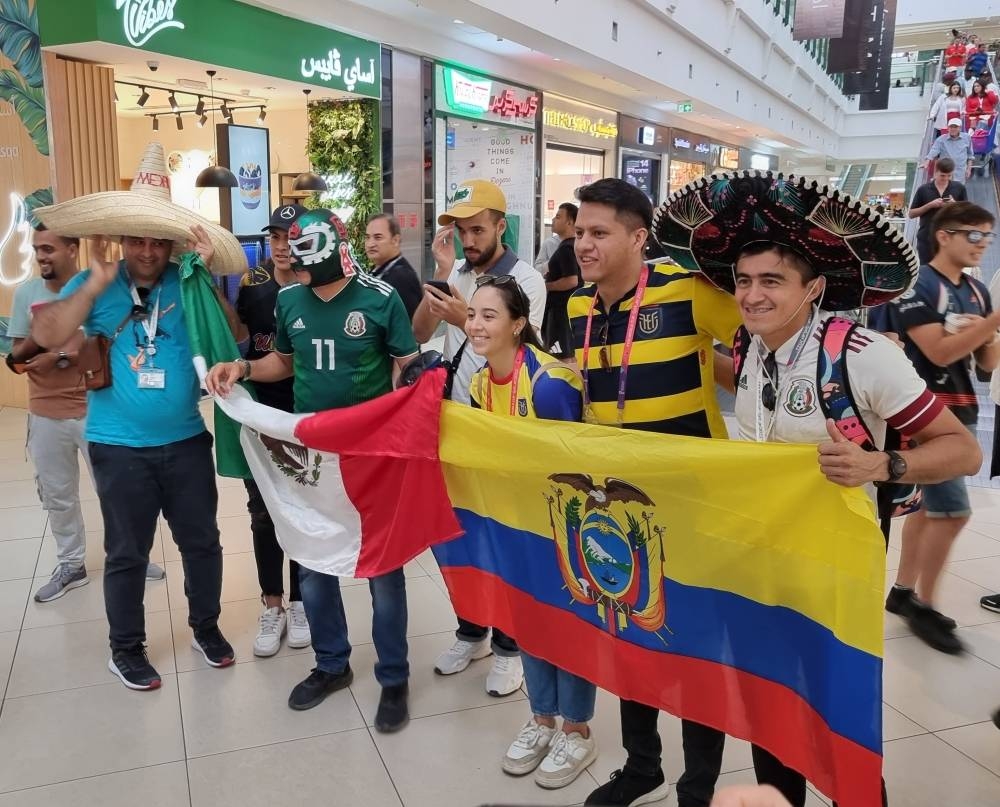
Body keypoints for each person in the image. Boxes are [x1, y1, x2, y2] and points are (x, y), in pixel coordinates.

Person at [662, 171, 980, 806]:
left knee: (839, 716)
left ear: (812, 289)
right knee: (771, 710)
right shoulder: (748, 348)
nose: (752, 295)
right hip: (760, 560)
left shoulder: (862, 353)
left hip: (837, 572)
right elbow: (752, 405)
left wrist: (881, 465)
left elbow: (962, 450)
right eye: (743, 281)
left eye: (771, 281)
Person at [205, 208, 418, 732]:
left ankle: (394, 676)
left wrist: (419, 381)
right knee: (313, 559)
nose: (291, 267)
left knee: (383, 570)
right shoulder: (289, 300)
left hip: (371, 457)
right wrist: (243, 368)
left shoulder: (380, 298)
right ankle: (331, 663)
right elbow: (285, 361)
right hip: (311, 456)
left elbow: (406, 365)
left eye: (302, 261)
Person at [568, 178, 742, 807]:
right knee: (629, 638)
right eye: (579, 232)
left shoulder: (688, 289)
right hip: (616, 509)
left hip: (692, 505)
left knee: (694, 651)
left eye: (599, 233)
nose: (583, 244)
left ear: (639, 237)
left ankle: (698, 789)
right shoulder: (578, 307)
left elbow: (760, 351)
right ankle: (643, 767)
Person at [30, 204, 239, 694]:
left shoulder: (186, 281)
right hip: (118, 446)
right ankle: (125, 649)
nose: (147, 252)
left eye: (158, 242)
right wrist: (96, 284)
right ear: (123, 240)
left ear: (172, 246)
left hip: (186, 440)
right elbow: (47, 335)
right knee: (127, 553)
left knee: (202, 543)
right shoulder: (95, 281)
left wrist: (205, 279)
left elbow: (233, 334)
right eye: (138, 241)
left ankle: (206, 628)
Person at [412, 178, 545, 697]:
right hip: (458, 425)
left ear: (500, 227)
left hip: (506, 426)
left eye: (477, 230)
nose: (468, 240)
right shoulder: (458, 272)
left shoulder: (525, 280)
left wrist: (464, 314)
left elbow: (518, 344)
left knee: (506, 538)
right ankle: (472, 630)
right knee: (462, 535)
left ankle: (511, 647)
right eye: (461, 231)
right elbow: (421, 334)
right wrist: (442, 275)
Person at [464, 275, 596, 788]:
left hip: (563, 528)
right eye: (472, 314)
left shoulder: (549, 385)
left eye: (489, 315)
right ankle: (542, 719)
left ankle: (577, 729)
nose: (475, 325)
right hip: (513, 524)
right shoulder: (479, 384)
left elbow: (575, 468)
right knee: (528, 620)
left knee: (569, 624)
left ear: (519, 324)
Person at [6, 226, 167, 601]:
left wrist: (61, 355)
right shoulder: (27, 294)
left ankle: (131, 557)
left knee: (116, 492)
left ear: (71, 249)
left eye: (49, 248)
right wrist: (37, 357)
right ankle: (71, 564)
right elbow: (17, 355)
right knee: (58, 495)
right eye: (37, 249)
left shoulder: (99, 289)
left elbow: (117, 345)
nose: (41, 256)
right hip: (45, 413)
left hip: (98, 409)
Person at [885, 202, 1000, 655]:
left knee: (926, 509)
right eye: (973, 234)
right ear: (943, 235)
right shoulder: (918, 287)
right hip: (923, 413)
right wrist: (990, 325)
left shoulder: (977, 291)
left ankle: (902, 592)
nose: (982, 244)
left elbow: (986, 362)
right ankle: (925, 606)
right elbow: (938, 353)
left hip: (961, 407)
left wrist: (987, 334)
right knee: (952, 512)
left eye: (987, 236)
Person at [230, 204, 312, 657]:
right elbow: (239, 334)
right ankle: (273, 603)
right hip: (261, 413)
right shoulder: (253, 283)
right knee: (261, 510)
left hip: (303, 417)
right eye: (275, 238)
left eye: (290, 238)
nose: (282, 247)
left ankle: (301, 601)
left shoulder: (316, 285)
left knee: (300, 508)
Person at [908, 157, 968, 264]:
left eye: (949, 176)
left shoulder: (959, 188)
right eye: (942, 175)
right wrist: (930, 205)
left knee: (949, 270)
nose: (945, 179)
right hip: (927, 240)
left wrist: (954, 205)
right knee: (927, 271)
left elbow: (967, 215)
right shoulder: (923, 189)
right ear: (935, 173)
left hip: (951, 240)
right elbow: (911, 214)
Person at [541, 202, 581, 359]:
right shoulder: (571, 246)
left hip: (560, 312)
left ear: (570, 222)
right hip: (563, 310)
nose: (553, 220)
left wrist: (546, 286)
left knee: (561, 357)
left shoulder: (566, 248)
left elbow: (571, 280)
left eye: (558, 217)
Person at [364, 213, 423, 319]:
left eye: (378, 237)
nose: (370, 244)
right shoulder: (377, 270)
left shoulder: (402, 277)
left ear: (395, 240)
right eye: (367, 237)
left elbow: (409, 324)